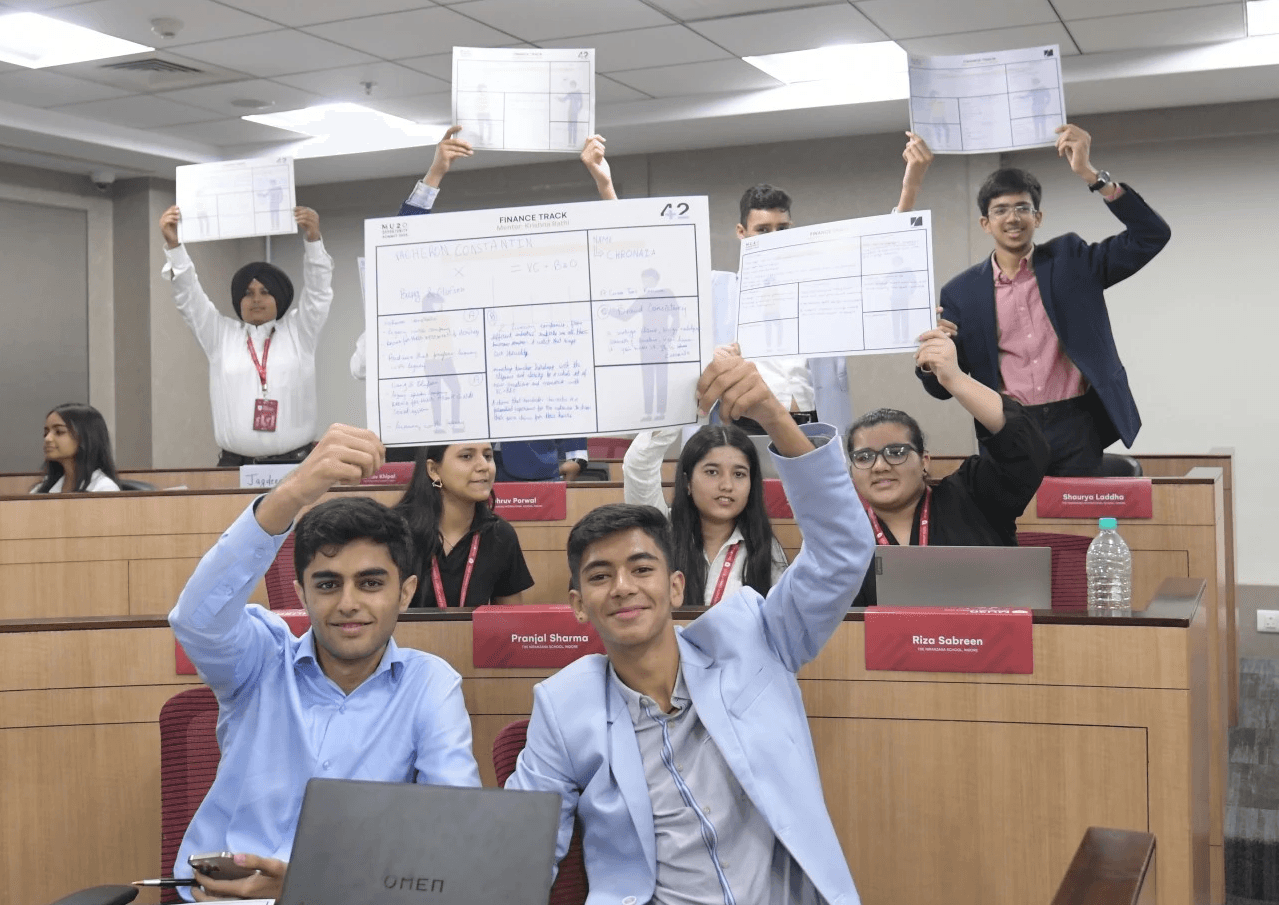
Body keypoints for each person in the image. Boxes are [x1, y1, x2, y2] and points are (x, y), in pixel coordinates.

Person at [507, 348, 875, 905]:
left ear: (676, 587)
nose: (625, 586)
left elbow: (844, 551)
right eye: (601, 576)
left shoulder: (753, 636)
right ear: (580, 606)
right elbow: (521, 851)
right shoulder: (563, 708)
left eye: (641, 568)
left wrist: (776, 418)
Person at [168, 424, 481, 901]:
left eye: (371, 583)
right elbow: (195, 620)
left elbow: (453, 838)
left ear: (406, 593)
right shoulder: (259, 660)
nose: (348, 603)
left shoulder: (429, 684)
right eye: (328, 584)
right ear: (301, 594)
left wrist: (308, 884)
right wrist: (293, 493)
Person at [582, 131, 934, 438]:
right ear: (742, 234)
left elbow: (881, 259)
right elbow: (645, 262)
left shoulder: (820, 286)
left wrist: (910, 188)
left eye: (782, 229)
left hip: (812, 423)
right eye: (762, 230)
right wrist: (606, 186)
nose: (774, 238)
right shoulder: (717, 289)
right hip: (740, 430)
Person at [917, 123, 1171, 476]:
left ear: (1037, 218)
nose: (1012, 217)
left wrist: (1092, 176)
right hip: (1007, 424)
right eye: (1001, 210)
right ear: (985, 223)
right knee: (1014, 528)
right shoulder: (960, 293)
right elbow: (941, 389)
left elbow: (1151, 236)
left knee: (1077, 524)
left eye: (1022, 208)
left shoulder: (1072, 260)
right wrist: (931, 357)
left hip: (1077, 422)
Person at [351, 127, 592, 478]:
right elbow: (400, 252)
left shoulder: (531, 315)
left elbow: (563, 374)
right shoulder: (445, 304)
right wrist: (434, 175)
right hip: (453, 462)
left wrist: (577, 452)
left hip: (530, 464)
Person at [850, 328, 1051, 607]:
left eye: (895, 452)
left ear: (925, 461)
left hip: (988, 646)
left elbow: (1026, 452)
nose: (880, 466)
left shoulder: (972, 494)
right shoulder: (842, 536)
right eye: (863, 457)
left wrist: (954, 379)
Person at [159, 205, 334, 467]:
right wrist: (174, 246)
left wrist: (313, 241)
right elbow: (189, 297)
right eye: (248, 293)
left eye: (265, 292)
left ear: (279, 297)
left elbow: (319, 293)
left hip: (295, 467)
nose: (256, 300)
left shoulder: (300, 331)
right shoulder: (220, 336)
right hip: (234, 468)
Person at [622, 405, 788, 607]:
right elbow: (639, 465)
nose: (726, 486)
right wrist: (682, 406)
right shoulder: (662, 530)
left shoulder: (765, 546)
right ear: (687, 482)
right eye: (712, 472)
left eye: (739, 474)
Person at [393, 442, 534, 608]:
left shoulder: (500, 535)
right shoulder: (395, 531)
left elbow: (510, 622)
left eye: (488, 456)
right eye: (467, 456)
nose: (484, 466)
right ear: (433, 470)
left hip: (473, 635)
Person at [32, 402, 121, 493]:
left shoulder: (104, 488)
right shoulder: (43, 487)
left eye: (59, 431)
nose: (47, 438)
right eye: (46, 433)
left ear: (85, 437)